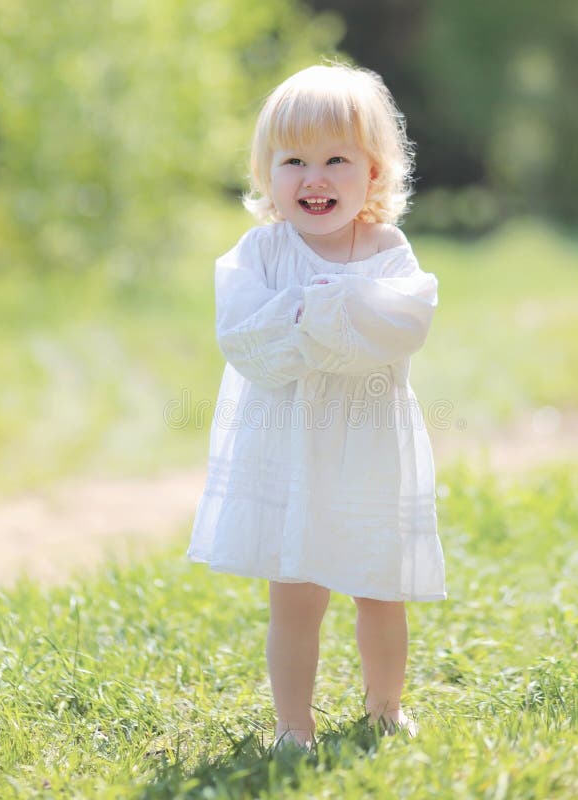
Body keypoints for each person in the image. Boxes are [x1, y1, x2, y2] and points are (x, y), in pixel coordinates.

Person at [186, 61, 446, 751]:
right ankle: (293, 726)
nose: (315, 178)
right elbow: (246, 339)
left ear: (374, 173)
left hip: (365, 450)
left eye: (337, 159)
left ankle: (385, 707)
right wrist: (313, 310)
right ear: (267, 173)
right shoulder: (260, 254)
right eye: (293, 161)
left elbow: (402, 322)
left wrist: (323, 310)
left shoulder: (386, 250)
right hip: (289, 448)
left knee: (378, 588)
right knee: (294, 596)